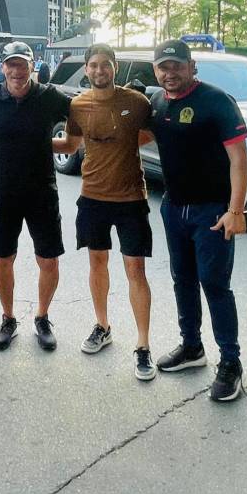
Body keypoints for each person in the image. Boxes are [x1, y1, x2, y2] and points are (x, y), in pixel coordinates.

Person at [142, 39, 247, 402]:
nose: (170, 73)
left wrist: (235, 211)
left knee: (215, 284)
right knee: (182, 279)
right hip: (174, 207)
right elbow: (139, 133)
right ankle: (192, 347)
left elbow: (239, 159)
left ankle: (231, 363)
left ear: (191, 67)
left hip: (212, 212)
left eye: (177, 66)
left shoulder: (216, 101)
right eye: (163, 67)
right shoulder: (155, 102)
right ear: (156, 70)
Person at [52, 44, 156, 381]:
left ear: (113, 68)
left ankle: (143, 346)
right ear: (86, 69)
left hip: (130, 199)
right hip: (93, 197)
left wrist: (124, 143)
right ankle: (102, 326)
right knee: (97, 263)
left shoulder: (136, 102)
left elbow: (150, 132)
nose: (100, 71)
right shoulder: (78, 105)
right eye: (94, 65)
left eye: (105, 65)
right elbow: (69, 145)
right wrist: (26, 140)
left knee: (135, 268)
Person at [0, 41, 71, 351]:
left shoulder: (48, 96)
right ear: (3, 68)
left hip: (42, 191)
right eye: (11, 65)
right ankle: (8, 318)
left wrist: (71, 142)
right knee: (3, 257)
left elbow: (79, 111)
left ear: (32, 65)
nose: (16, 70)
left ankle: (42, 316)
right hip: (3, 191)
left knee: (48, 259)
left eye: (22, 64)